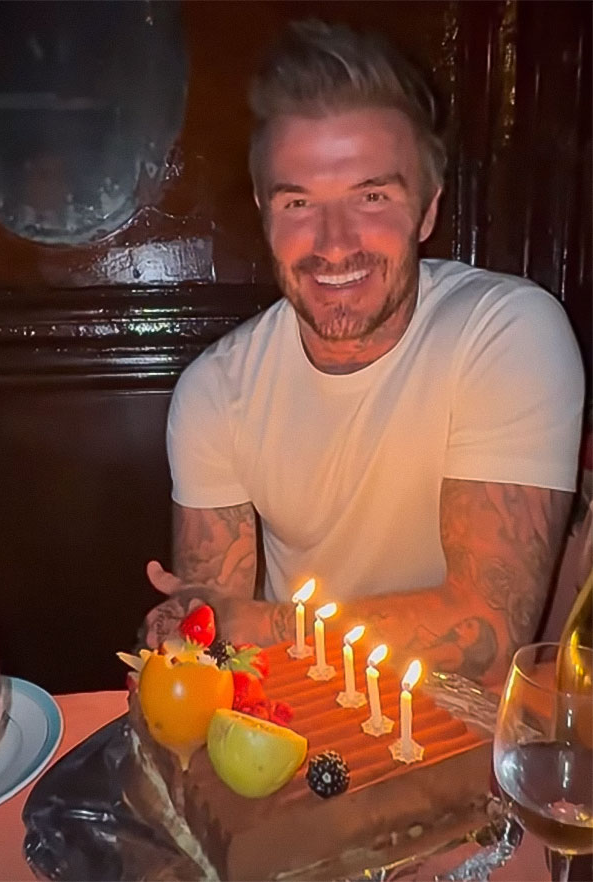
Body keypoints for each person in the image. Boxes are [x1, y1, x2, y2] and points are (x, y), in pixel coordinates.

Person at [142, 20, 584, 685]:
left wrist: (252, 624)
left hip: (471, 742)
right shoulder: (216, 390)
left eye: (372, 196)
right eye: (299, 202)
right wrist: (184, 629)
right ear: (265, 212)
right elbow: (211, 637)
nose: (335, 241)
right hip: (302, 725)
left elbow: (488, 633)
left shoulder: (506, 332)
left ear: (427, 211)